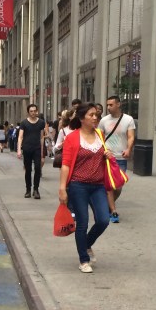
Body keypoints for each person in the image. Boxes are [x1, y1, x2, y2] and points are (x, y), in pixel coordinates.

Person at [58, 103, 111, 273]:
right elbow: (65, 164)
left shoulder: (100, 135)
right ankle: (83, 259)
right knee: (82, 222)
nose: (95, 117)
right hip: (78, 185)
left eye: (96, 115)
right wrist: (62, 188)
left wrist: (107, 155)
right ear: (81, 118)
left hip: (98, 185)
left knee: (103, 219)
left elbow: (103, 157)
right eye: (91, 115)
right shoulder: (72, 138)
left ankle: (86, 243)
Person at [98, 96, 135, 223]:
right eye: (107, 105)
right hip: (107, 157)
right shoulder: (103, 121)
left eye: (111, 105)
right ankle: (113, 211)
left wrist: (129, 149)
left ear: (118, 104)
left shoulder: (128, 119)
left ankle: (108, 205)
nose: (108, 107)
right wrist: (103, 151)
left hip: (120, 157)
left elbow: (130, 137)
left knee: (118, 186)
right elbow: (100, 138)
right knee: (109, 186)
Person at [17, 104, 46, 199]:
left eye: (34, 111)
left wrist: (42, 153)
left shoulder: (41, 122)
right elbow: (20, 137)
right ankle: (28, 189)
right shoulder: (24, 123)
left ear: (37, 111)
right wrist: (19, 150)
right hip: (27, 148)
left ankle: (36, 189)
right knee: (28, 169)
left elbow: (42, 137)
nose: (33, 113)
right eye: (31, 111)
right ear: (28, 112)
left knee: (38, 168)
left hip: (37, 148)